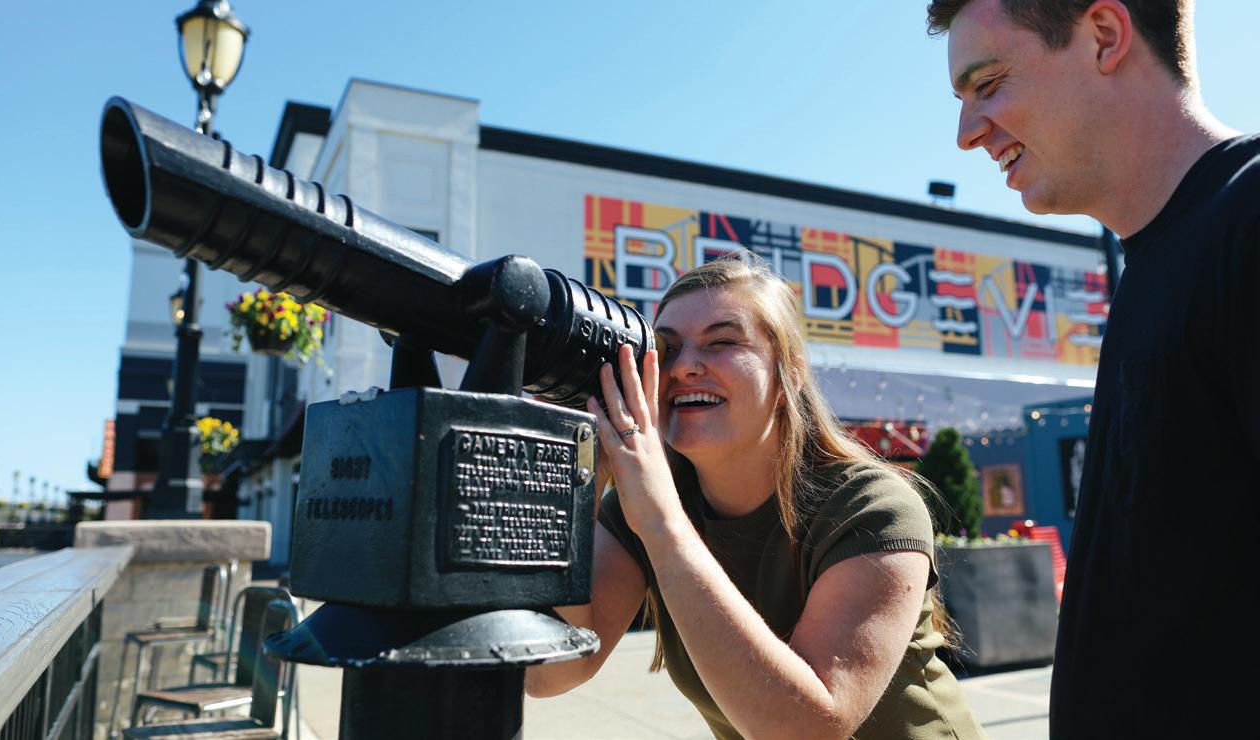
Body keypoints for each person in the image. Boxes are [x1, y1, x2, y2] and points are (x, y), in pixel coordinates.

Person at [927, 0, 1259, 735]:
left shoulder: (1247, 221)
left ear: (1105, 36)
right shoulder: (1158, 262)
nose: (966, 133)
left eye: (989, 84)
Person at [525, 256, 985, 739]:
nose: (684, 367)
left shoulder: (872, 506)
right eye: (667, 348)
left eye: (722, 342)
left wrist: (663, 526)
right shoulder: (642, 506)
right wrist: (580, 481)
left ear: (791, 373)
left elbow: (807, 728)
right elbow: (549, 672)